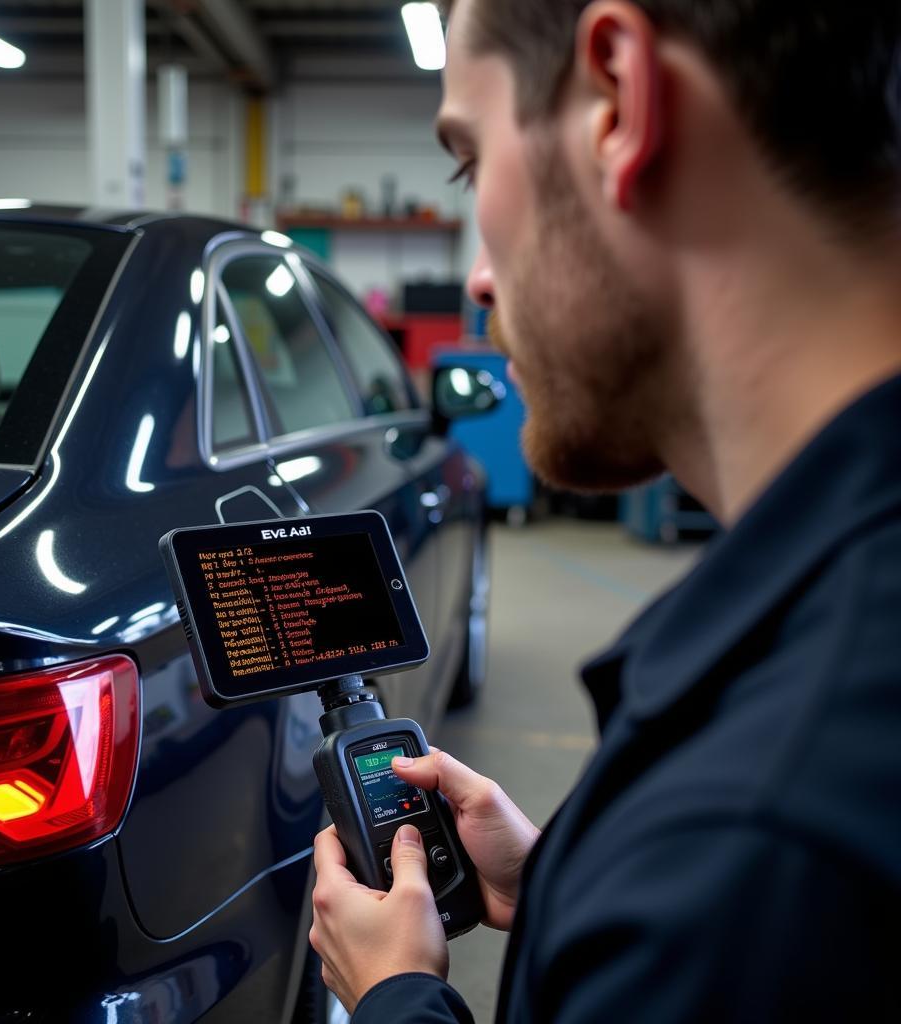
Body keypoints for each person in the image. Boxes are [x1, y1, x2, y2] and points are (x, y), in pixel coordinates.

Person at [310, 0, 901, 1019]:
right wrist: (569, 884)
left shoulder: (746, 842)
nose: (482, 281)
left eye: (470, 159)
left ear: (617, 103)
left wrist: (399, 995)